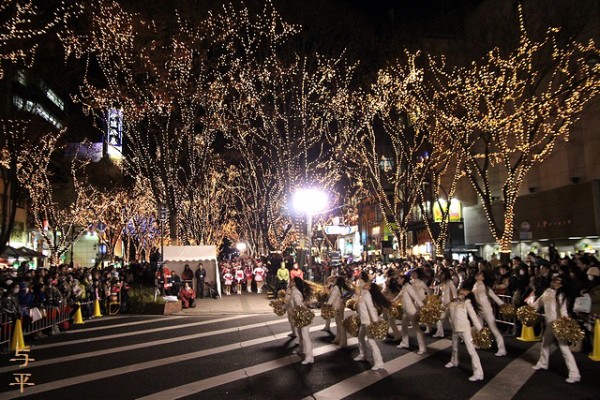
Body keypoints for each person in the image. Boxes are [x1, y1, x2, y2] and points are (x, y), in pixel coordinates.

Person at [531, 275, 581, 383]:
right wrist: (529, 310)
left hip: (558, 325)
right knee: (544, 343)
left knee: (564, 349)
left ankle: (575, 374)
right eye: (553, 280)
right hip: (549, 324)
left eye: (557, 282)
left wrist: (564, 324)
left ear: (561, 284)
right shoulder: (547, 291)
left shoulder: (561, 295)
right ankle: (543, 363)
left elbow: (563, 311)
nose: (554, 283)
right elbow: (538, 303)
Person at [445, 288, 485, 382]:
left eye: (465, 291)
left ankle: (478, 373)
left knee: (471, 350)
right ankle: (454, 361)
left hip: (464, 329)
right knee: (454, 347)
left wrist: (480, 329)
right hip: (455, 329)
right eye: (462, 290)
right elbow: (446, 314)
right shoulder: (452, 302)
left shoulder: (467, 302)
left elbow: (473, 317)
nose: (463, 292)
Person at [354, 280, 390, 370]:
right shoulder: (363, 294)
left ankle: (379, 362)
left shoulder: (367, 295)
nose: (365, 284)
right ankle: (363, 355)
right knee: (360, 337)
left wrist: (375, 321)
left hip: (368, 321)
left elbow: (371, 308)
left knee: (371, 341)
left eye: (367, 284)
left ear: (369, 288)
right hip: (363, 320)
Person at [473, 270, 507, 356]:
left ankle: (502, 349)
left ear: (483, 277)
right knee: (478, 327)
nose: (477, 275)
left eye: (480, 274)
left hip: (487, 310)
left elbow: (494, 296)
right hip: (478, 310)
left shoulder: (486, 287)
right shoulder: (475, 285)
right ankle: (478, 343)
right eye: (477, 274)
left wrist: (503, 304)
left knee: (494, 329)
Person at [395, 274, 426, 354]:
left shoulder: (408, 287)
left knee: (417, 329)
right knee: (404, 326)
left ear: (403, 279)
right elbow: (399, 295)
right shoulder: (404, 287)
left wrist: (422, 306)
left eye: (398, 278)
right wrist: (393, 301)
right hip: (406, 311)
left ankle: (422, 348)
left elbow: (415, 297)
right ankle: (405, 343)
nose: (397, 280)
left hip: (412, 311)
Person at [290, 277, 314, 364]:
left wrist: (304, 310)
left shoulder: (295, 292)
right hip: (299, 316)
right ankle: (301, 349)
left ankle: (309, 357)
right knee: (300, 335)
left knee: (305, 337)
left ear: (295, 283)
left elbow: (299, 304)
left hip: (302, 316)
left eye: (292, 281)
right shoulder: (294, 291)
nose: (290, 281)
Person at [328, 276, 352, 347]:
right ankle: (338, 338)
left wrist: (328, 304)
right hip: (340, 305)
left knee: (340, 324)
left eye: (335, 279)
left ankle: (343, 342)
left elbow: (333, 296)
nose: (333, 279)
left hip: (336, 306)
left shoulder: (336, 287)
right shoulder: (340, 287)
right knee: (338, 323)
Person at [434, 268, 458, 338]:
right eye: (440, 273)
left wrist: (450, 303)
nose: (440, 274)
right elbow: (442, 293)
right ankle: (440, 332)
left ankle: (458, 335)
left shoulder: (450, 282)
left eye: (442, 273)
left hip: (451, 304)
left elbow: (454, 294)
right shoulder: (443, 282)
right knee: (439, 318)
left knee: (453, 321)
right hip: (443, 304)